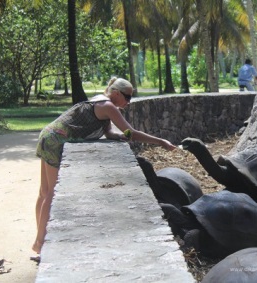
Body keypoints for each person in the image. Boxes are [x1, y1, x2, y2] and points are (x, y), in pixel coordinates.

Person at [32, 77, 176, 256]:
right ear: (116, 93)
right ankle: (39, 243)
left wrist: (117, 136)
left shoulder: (100, 101)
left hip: (49, 134)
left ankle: (38, 242)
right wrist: (160, 141)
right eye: (127, 97)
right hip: (56, 140)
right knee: (51, 194)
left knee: (44, 192)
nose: (129, 102)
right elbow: (131, 132)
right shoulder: (109, 106)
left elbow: (108, 132)